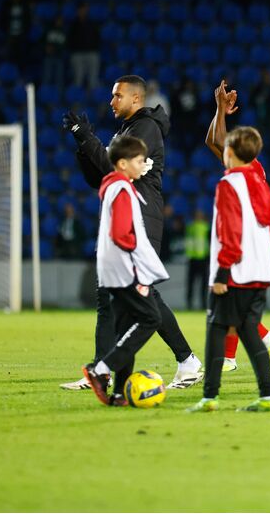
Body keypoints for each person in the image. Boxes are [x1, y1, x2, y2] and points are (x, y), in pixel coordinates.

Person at [61, 75, 202, 391]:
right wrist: (83, 145)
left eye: (117, 95)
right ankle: (103, 370)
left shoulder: (146, 128)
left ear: (136, 98)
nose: (112, 101)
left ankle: (185, 361)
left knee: (141, 295)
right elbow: (99, 177)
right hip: (120, 219)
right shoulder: (126, 130)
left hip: (139, 219)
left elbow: (113, 168)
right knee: (109, 298)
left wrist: (87, 138)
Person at [186, 127, 270, 413]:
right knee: (249, 331)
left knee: (216, 328)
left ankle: (209, 397)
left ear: (230, 152)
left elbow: (230, 228)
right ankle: (268, 396)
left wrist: (222, 272)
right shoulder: (260, 183)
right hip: (261, 270)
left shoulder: (229, 183)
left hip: (235, 272)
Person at [81, 137, 169, 406]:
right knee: (150, 318)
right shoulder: (121, 188)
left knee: (126, 327)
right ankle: (100, 369)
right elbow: (121, 233)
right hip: (124, 269)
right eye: (139, 160)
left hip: (112, 268)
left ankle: (119, 393)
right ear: (122, 163)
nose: (143, 164)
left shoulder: (115, 186)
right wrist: (137, 259)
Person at [204, 80, 270, 370]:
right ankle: (248, 348)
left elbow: (217, 141)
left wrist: (220, 109)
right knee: (236, 305)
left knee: (231, 301)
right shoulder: (243, 168)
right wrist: (220, 112)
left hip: (245, 241)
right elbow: (212, 141)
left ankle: (237, 355)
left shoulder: (251, 169)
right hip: (249, 241)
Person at [185, 209, 210, 310]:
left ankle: (195, 304)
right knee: (198, 284)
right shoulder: (206, 227)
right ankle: (197, 304)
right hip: (198, 258)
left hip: (197, 259)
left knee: (193, 284)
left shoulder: (191, 227)